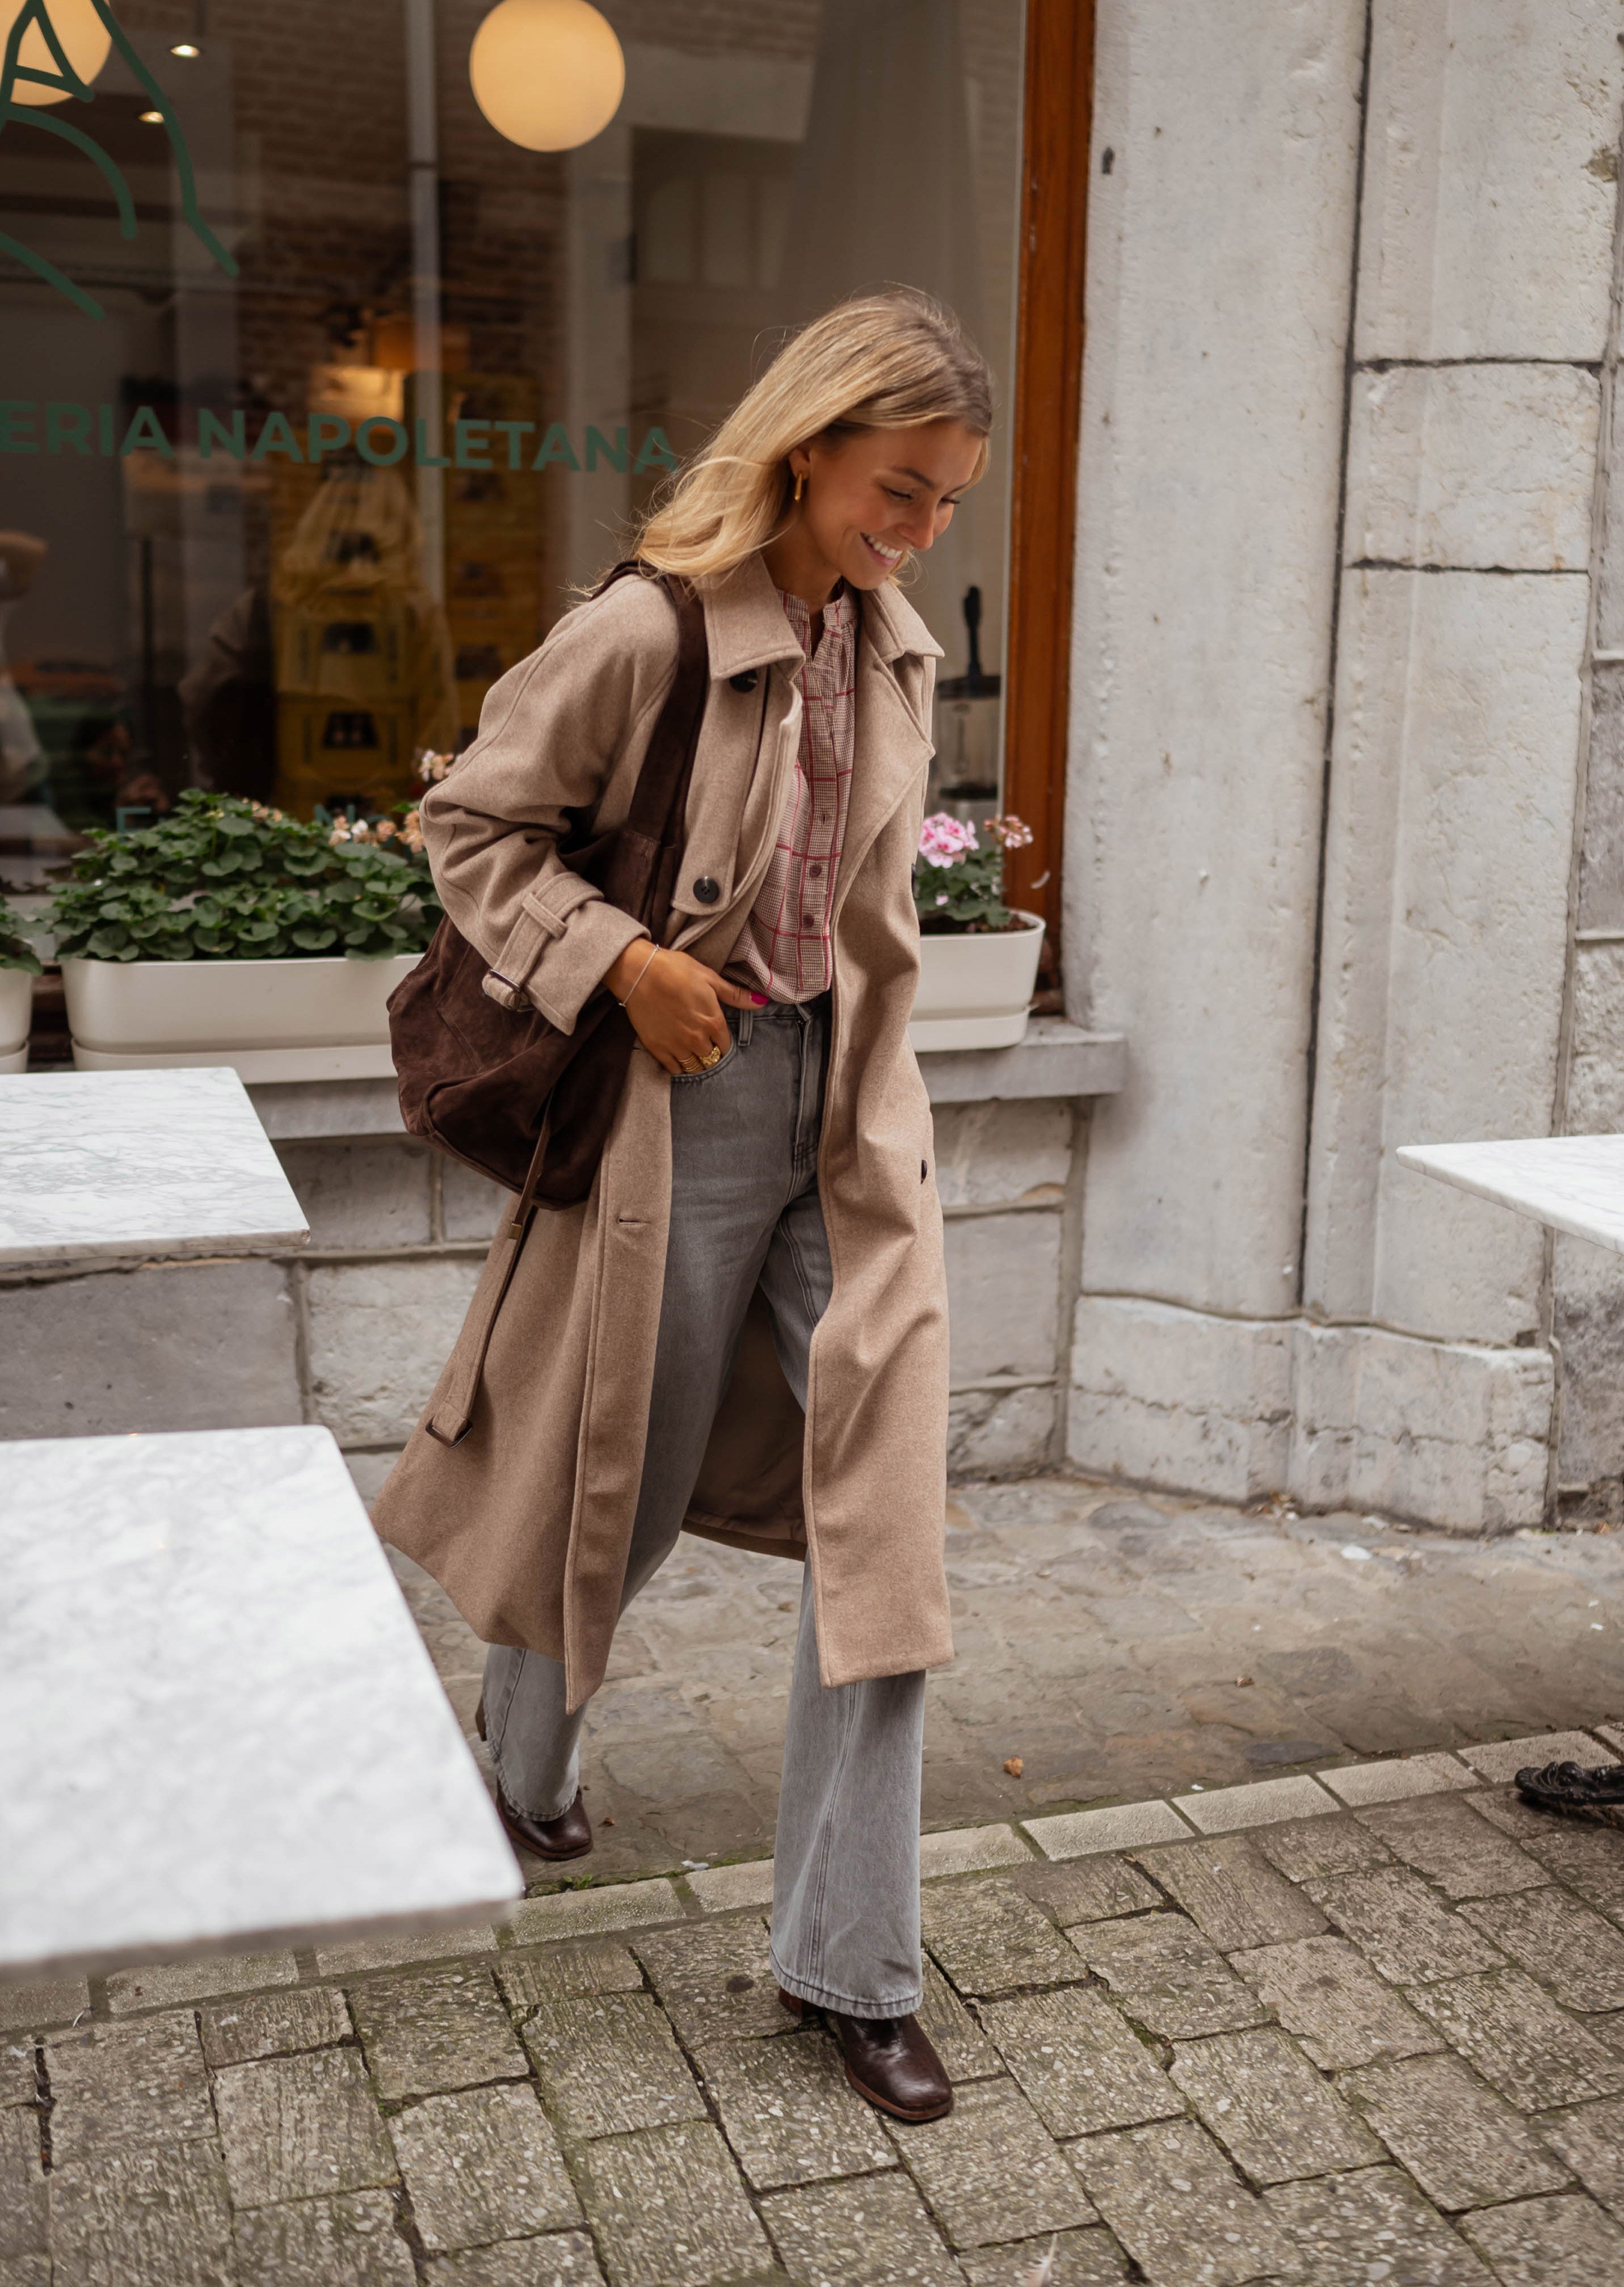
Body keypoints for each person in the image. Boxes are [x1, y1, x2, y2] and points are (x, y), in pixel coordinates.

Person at [374, 289, 991, 2122]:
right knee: (609, 1487)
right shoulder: (641, 630)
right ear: (807, 450)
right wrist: (621, 958)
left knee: (887, 1534)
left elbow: (861, 909)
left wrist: (880, 1076)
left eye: (950, 501)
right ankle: (520, 1766)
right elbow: (471, 831)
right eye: (900, 488)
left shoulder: (893, 646)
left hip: (849, 1119)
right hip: (669, 1102)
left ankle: (850, 1965)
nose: (921, 531)